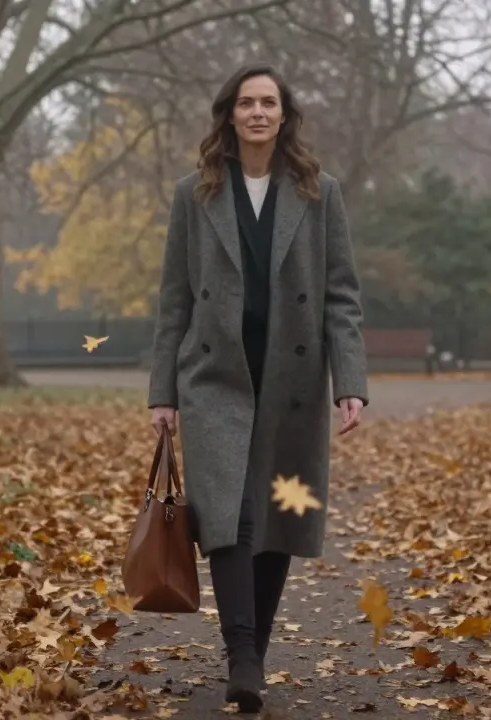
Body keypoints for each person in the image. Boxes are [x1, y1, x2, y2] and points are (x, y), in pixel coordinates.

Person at [146, 64, 369, 713]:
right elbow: (173, 300)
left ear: (284, 114)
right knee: (228, 516)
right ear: (230, 114)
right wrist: (163, 391)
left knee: (280, 514)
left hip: (293, 382)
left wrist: (349, 381)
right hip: (215, 378)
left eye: (269, 102)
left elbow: (343, 295)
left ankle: (254, 659)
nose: (258, 112)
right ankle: (242, 656)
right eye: (246, 102)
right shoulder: (196, 194)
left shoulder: (319, 192)